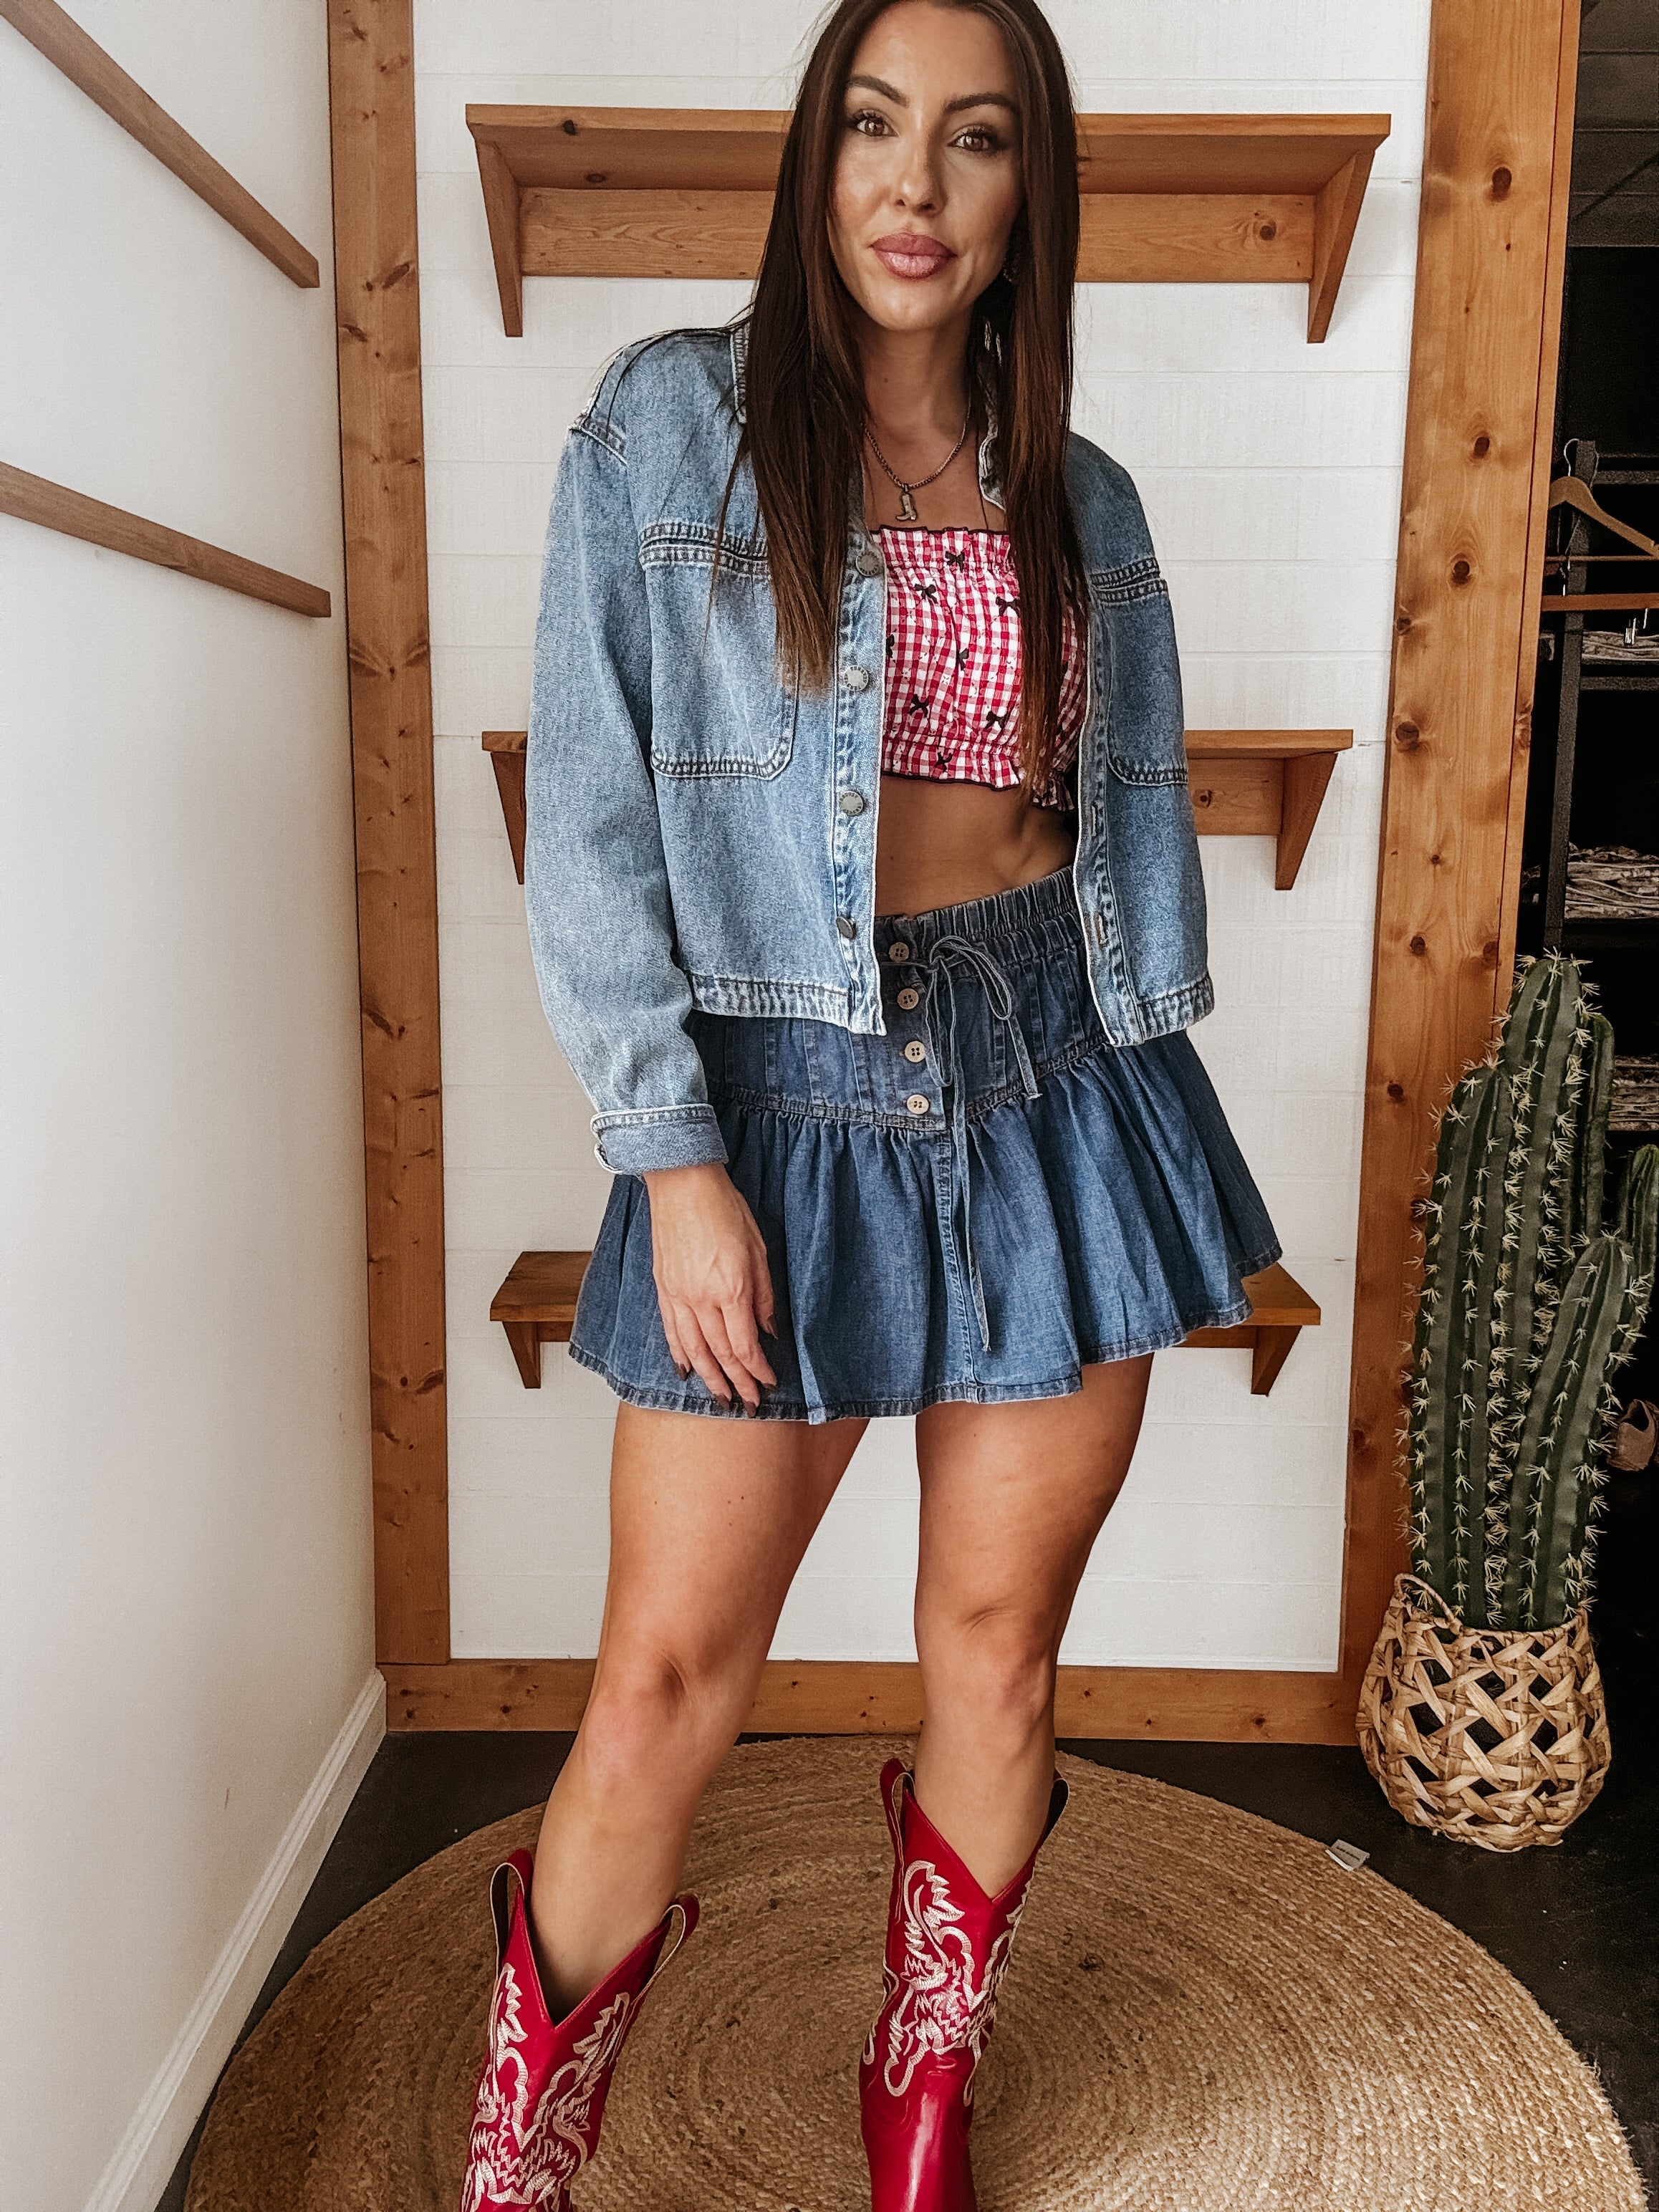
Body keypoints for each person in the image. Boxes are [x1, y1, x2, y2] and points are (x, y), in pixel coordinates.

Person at [457, 1, 1281, 2206]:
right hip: (774, 1099)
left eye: (977, 142)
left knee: (997, 1652)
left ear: (1030, 195)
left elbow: (1092, 831)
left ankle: (918, 2102)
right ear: (819, 162)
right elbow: (599, 819)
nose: (915, 187)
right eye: (875, 130)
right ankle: (519, 2159)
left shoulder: (1076, 496)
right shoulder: (664, 437)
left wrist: (1121, 1093)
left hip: (1051, 1083)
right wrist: (673, 1153)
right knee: (659, 1683)